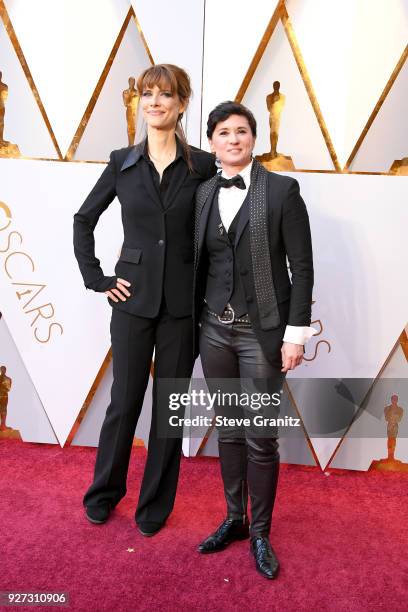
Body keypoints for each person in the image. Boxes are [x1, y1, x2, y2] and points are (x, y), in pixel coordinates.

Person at [73, 64, 215, 536]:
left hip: (182, 308)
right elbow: (83, 220)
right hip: (130, 303)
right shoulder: (121, 161)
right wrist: (99, 279)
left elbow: (220, 233)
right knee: (124, 404)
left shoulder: (203, 166)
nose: (154, 101)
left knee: (168, 411)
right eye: (147, 94)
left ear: (181, 104)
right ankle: (103, 494)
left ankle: (154, 506)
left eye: (165, 94)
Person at [193, 101, 315, 579]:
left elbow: (301, 269)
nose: (233, 139)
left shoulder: (283, 190)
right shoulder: (203, 193)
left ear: (253, 139)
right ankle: (234, 520)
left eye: (242, 131)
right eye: (224, 132)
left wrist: (295, 335)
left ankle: (261, 533)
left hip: (262, 333)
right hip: (213, 331)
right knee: (228, 430)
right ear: (212, 143)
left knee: (260, 438)